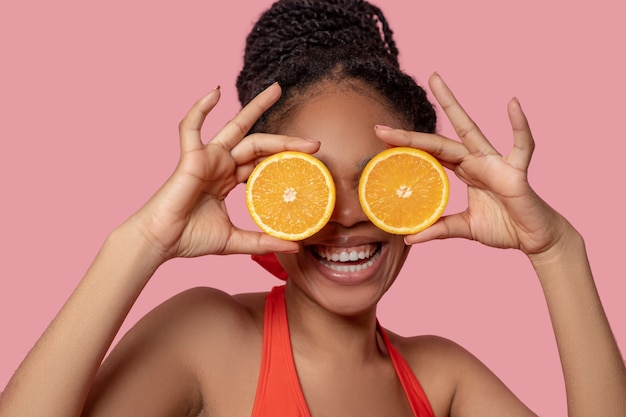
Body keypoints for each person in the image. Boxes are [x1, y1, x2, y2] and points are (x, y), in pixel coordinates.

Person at [1, 0, 624, 415]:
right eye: (311, 183)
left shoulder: (442, 379)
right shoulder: (210, 340)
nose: (346, 214)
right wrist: (139, 243)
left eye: (375, 179)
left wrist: (558, 251)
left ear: (420, 184)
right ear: (264, 194)